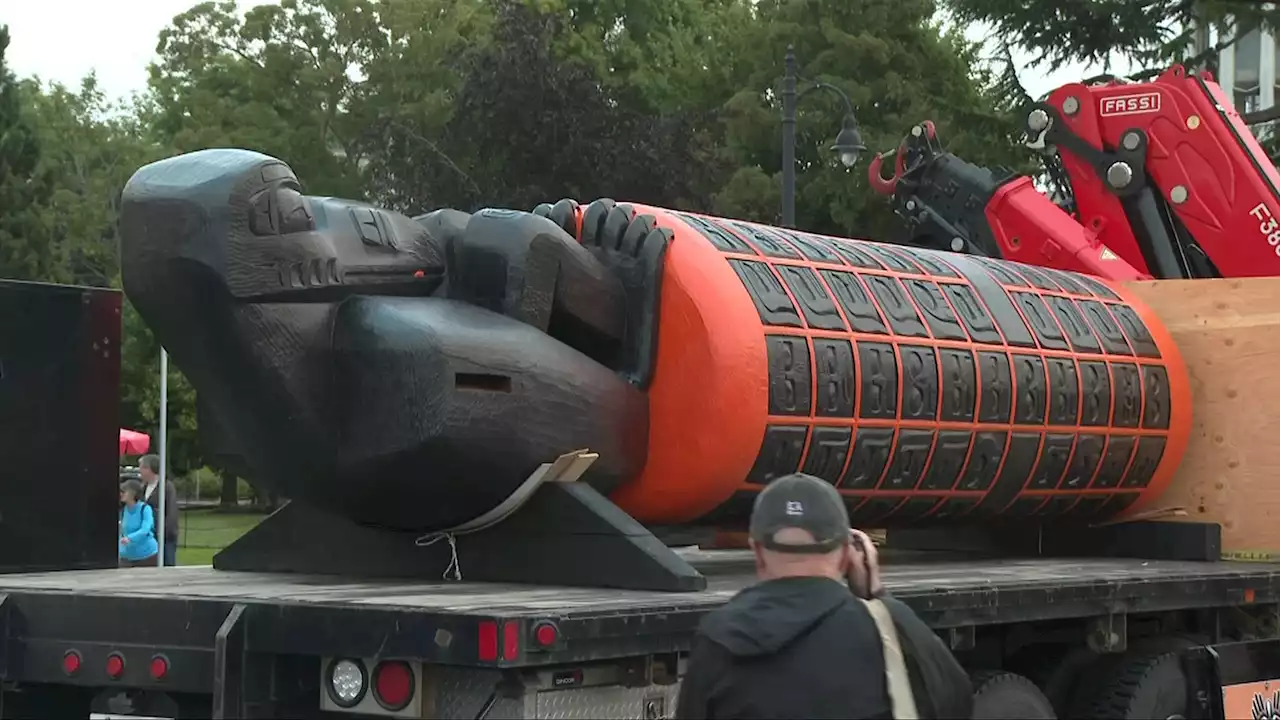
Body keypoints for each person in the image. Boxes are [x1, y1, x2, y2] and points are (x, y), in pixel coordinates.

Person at [675, 473, 972, 720]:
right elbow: (957, 703)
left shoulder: (717, 637)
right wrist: (877, 594)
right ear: (847, 554)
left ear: (757, 552)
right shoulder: (888, 629)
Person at [139, 454, 180, 566]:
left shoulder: (166, 487)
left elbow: (172, 512)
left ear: (150, 469)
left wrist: (164, 532)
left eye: (142, 467)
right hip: (147, 538)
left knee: (167, 565)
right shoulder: (142, 488)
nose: (140, 471)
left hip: (164, 537)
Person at [118, 479, 159, 568]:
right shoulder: (124, 510)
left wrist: (130, 538)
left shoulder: (145, 509)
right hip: (127, 556)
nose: (121, 494)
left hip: (147, 555)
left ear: (133, 493)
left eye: (124, 491)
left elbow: (145, 530)